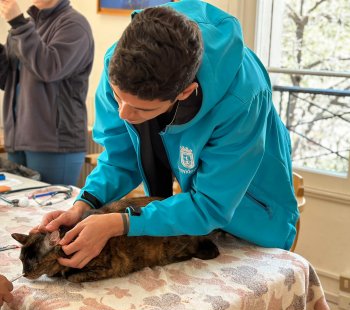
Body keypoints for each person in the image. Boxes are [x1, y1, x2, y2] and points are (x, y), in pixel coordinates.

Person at [38, 2, 299, 270]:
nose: (124, 114)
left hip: (251, 222)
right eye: (117, 98)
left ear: (184, 93)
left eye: (141, 108)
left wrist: (120, 223)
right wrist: (85, 204)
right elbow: (120, 159)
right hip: (191, 220)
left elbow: (210, 204)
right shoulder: (118, 66)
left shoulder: (243, 98)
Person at [0, 0, 94, 185]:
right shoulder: (26, 26)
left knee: (52, 212)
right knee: (18, 211)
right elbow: (9, 81)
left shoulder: (74, 25)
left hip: (55, 144)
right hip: (18, 139)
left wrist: (18, 23)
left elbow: (49, 68)